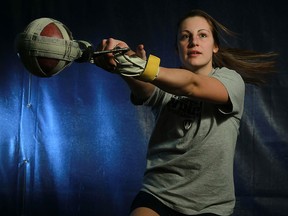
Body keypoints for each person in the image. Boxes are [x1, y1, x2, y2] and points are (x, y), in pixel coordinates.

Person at [94, 9, 277, 216]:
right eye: (185, 36)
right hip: (158, 195)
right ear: (177, 48)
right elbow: (144, 87)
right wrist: (121, 61)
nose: (194, 42)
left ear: (215, 46)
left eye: (202, 35)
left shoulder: (231, 81)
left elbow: (192, 84)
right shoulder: (162, 81)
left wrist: (142, 68)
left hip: (210, 207)